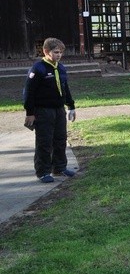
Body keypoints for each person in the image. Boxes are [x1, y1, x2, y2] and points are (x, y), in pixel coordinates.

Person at [22, 38, 77, 183]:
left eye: (61, 53)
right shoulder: (38, 69)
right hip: (43, 110)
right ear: (46, 52)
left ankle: (59, 167)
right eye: (56, 52)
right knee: (44, 141)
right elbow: (29, 92)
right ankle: (43, 171)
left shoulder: (61, 67)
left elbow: (65, 88)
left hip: (58, 109)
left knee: (60, 139)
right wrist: (30, 113)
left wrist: (71, 106)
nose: (59, 55)